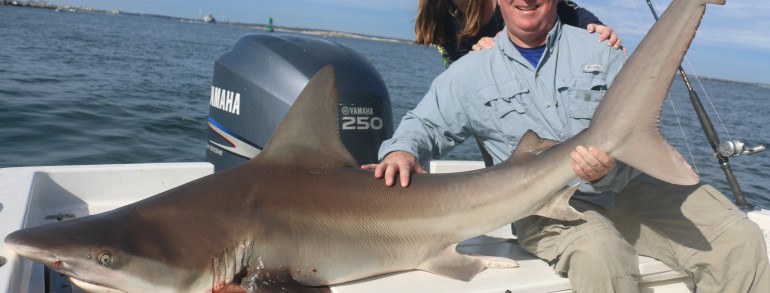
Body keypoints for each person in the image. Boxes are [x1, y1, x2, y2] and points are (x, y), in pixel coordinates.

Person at [362, 0, 770, 291]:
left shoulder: (601, 51)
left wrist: (610, 166)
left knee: (739, 241)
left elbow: (635, 130)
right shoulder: (469, 72)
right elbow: (423, 125)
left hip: (630, 186)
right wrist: (401, 151)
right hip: (541, 206)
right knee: (601, 255)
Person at [415, 0, 622, 67]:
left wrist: (597, 28)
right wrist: (475, 57)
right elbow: (457, 72)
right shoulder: (437, 17)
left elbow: (568, 11)